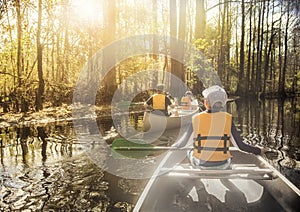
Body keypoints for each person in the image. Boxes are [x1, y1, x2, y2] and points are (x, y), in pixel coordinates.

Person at [174, 85, 264, 169]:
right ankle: (225, 177)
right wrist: (258, 150)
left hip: (201, 164)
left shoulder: (195, 119)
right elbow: (240, 146)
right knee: (228, 158)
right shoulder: (228, 119)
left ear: (206, 103)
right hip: (223, 164)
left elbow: (183, 143)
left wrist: (174, 146)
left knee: (189, 151)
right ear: (223, 103)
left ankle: (196, 181)